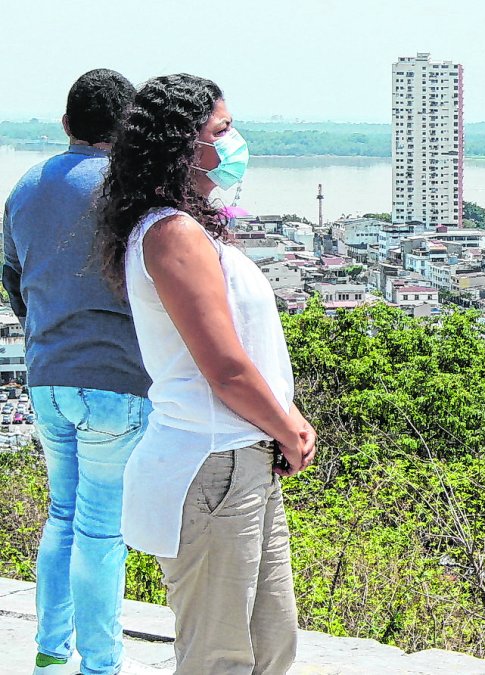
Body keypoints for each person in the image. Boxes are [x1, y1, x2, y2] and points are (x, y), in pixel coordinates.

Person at [96, 73, 316, 674]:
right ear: (183, 144)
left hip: (245, 456)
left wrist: (280, 425)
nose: (234, 142)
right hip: (211, 462)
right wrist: (289, 427)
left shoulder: (190, 228)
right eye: (221, 130)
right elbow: (223, 366)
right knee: (219, 657)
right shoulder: (171, 234)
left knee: (272, 643)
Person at [2, 68, 153, 675]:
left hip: (47, 376)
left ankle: (49, 651)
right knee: (100, 530)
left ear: (66, 125)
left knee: (61, 515)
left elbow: (12, 278)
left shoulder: (26, 186)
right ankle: (100, 664)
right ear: (125, 128)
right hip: (115, 377)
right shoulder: (129, 188)